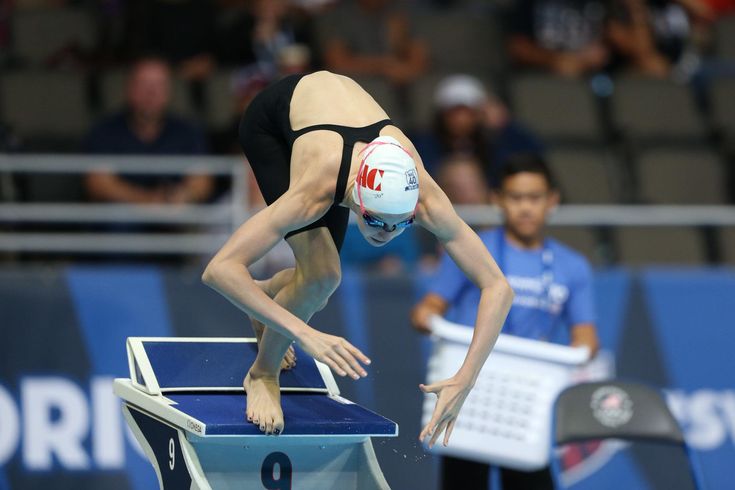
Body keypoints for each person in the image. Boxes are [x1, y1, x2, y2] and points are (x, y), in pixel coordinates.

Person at [202, 71, 515, 439]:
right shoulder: (317, 189)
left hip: (337, 125)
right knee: (322, 277)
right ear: (355, 197)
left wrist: (466, 378)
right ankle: (262, 374)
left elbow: (498, 287)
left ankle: (268, 297)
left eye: (401, 224)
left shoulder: (425, 196)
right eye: (377, 222)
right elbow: (219, 270)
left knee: (315, 283)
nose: (386, 235)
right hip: (274, 124)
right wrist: (303, 333)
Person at [411, 154, 600, 490]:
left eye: (534, 198)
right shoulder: (472, 249)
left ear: (552, 201)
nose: (525, 207)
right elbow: (426, 311)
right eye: (515, 197)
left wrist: (573, 355)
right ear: (498, 200)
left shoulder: (573, 266)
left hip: (525, 399)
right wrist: (432, 321)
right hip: (467, 396)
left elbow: (586, 339)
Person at [85, 57, 213, 206]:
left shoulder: (188, 131)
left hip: (172, 216)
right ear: (129, 88)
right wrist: (146, 201)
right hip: (122, 220)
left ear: (169, 90)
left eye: (159, 85)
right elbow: (98, 184)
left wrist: (181, 196)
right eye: (144, 84)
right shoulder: (104, 130)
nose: (151, 92)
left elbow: (203, 183)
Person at [413, 75, 544, 187]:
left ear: (480, 114)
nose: (460, 119)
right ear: (441, 114)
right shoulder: (424, 143)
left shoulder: (493, 142)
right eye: (453, 111)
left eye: (467, 111)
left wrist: (506, 125)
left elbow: (530, 157)